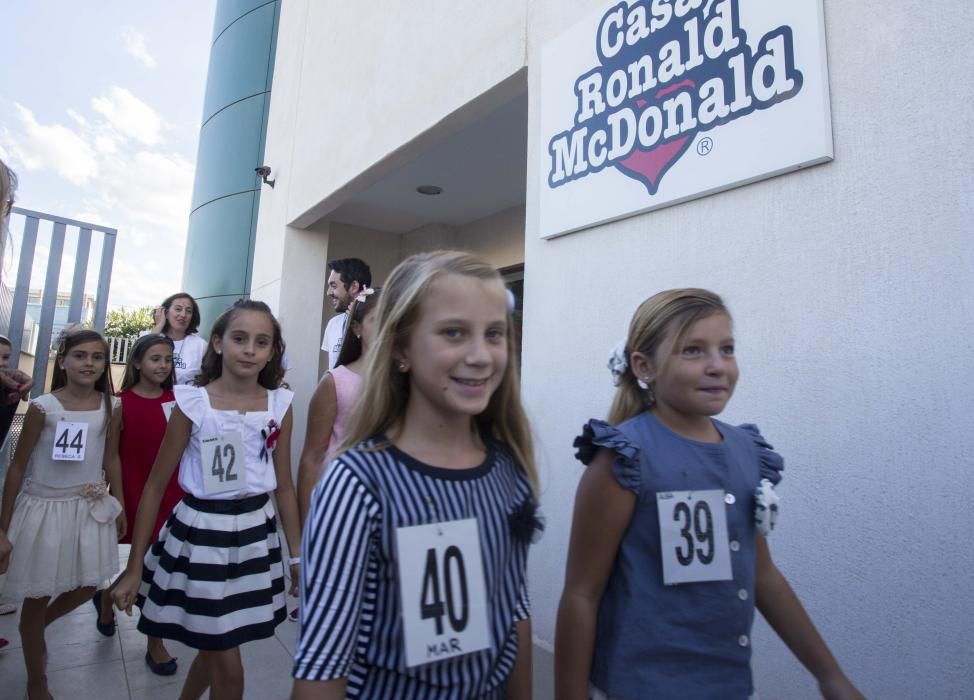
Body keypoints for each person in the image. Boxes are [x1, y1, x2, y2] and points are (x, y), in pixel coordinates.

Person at [555, 289, 864, 700]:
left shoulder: (745, 451)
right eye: (693, 351)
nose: (717, 366)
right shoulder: (623, 459)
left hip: (728, 685)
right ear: (645, 366)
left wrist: (830, 675)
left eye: (727, 349)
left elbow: (763, 575)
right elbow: (581, 594)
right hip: (643, 687)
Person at [292, 251, 541, 699]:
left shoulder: (509, 470)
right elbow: (322, 667)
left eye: (495, 334)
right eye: (453, 332)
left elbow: (514, 611)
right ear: (401, 349)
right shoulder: (355, 484)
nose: (481, 355)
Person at [113, 299, 302, 700]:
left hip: (254, 537)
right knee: (229, 670)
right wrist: (133, 568)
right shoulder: (190, 401)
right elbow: (154, 485)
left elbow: (284, 486)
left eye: (262, 342)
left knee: (218, 641)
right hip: (200, 540)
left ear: (272, 350)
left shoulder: (279, 405)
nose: (250, 349)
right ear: (217, 343)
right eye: (239, 338)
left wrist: (297, 556)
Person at [0, 328, 124, 699]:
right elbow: (18, 466)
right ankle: (37, 678)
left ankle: (36, 628)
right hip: (44, 509)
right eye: (81, 355)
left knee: (89, 583)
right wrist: (3, 527)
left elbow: (111, 456)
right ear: (64, 361)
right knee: (37, 594)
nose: (89, 363)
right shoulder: (43, 406)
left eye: (97, 357)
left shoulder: (111, 406)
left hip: (87, 507)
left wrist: (119, 504)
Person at [91, 334, 182, 674]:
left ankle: (116, 605)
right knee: (145, 566)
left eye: (168, 360)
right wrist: (118, 499)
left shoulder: (179, 400)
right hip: (135, 488)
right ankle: (150, 638)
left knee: (159, 567)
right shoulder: (120, 403)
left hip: (173, 492)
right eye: (155, 359)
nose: (162, 366)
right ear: (138, 362)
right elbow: (110, 453)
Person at [296, 287, 378, 524]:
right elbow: (311, 458)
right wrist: (306, 534)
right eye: (377, 320)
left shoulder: (410, 383)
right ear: (357, 328)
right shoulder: (335, 382)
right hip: (342, 506)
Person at [320, 258, 371, 369]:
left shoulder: (376, 324)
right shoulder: (333, 324)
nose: (328, 292)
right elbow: (332, 370)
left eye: (333, 286)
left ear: (354, 287)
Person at [147, 292, 208, 385]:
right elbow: (141, 365)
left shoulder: (201, 345)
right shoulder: (150, 335)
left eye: (188, 311)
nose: (183, 315)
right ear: (165, 313)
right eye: (178, 309)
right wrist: (159, 326)